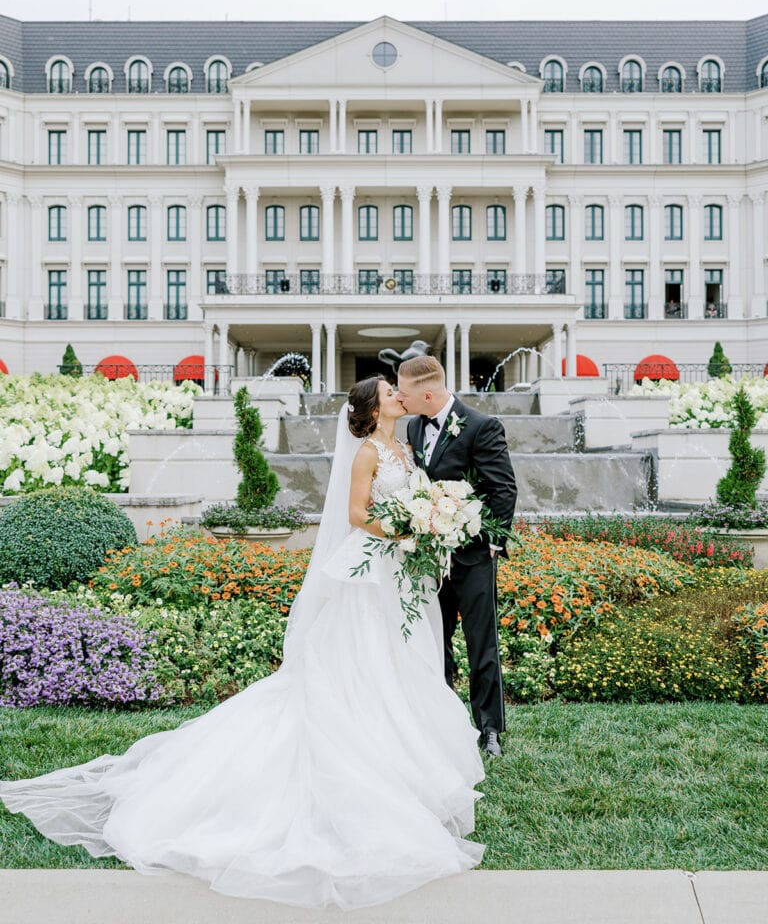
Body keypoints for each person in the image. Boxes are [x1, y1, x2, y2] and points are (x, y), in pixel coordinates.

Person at [0, 376, 485, 910]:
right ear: (373, 410)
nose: (398, 393)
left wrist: (431, 518)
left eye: (397, 389)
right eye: (389, 391)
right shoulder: (368, 452)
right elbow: (355, 515)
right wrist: (409, 530)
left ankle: (405, 766)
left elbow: (413, 496)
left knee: (400, 664)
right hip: (373, 575)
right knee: (363, 667)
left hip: (401, 579)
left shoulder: (407, 444)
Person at [397, 356, 517, 758]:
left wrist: (487, 543)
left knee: (481, 643)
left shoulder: (482, 427)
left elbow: (502, 490)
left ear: (427, 394)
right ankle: (445, 722)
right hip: (429, 558)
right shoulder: (413, 425)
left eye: (405, 393)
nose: (400, 398)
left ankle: (490, 730)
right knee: (436, 641)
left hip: (473, 556)